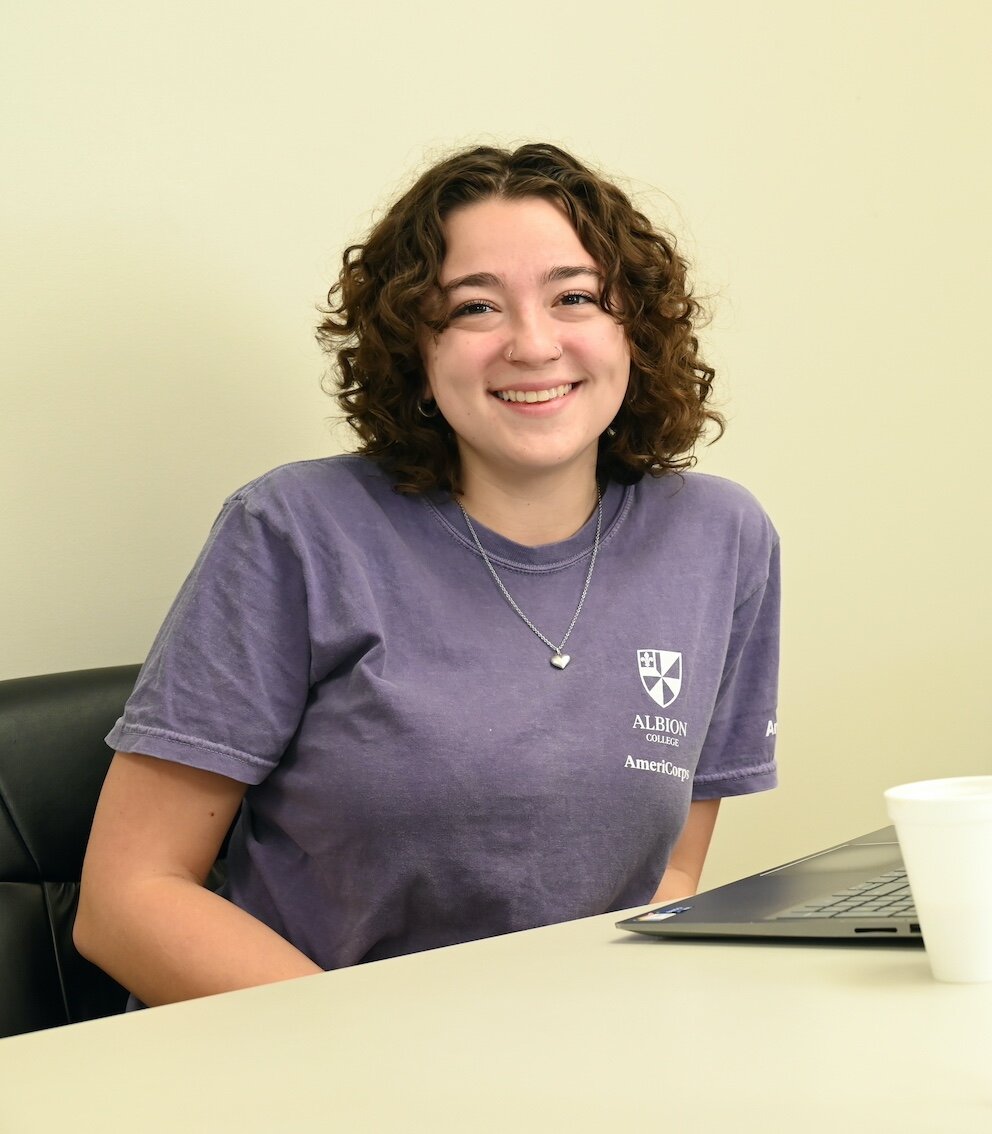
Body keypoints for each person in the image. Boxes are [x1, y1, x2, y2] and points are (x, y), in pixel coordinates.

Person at [74, 143, 780, 1008]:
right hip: (310, 1050)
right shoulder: (295, 529)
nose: (533, 344)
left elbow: (665, 875)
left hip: (568, 1049)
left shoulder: (719, 538)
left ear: (634, 327)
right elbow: (127, 901)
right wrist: (390, 1063)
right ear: (416, 347)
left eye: (575, 297)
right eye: (475, 307)